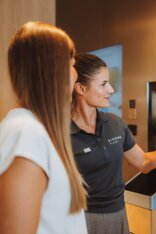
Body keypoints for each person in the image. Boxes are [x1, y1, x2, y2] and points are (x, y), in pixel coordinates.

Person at [71, 53, 156, 234]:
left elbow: (143, 162)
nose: (111, 90)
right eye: (104, 84)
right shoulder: (61, 132)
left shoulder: (114, 123)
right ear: (81, 88)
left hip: (118, 214)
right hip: (81, 219)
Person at [0, 22, 87, 233]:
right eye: (72, 64)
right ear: (55, 71)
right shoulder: (26, 134)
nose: (75, 74)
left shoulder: (35, 131)